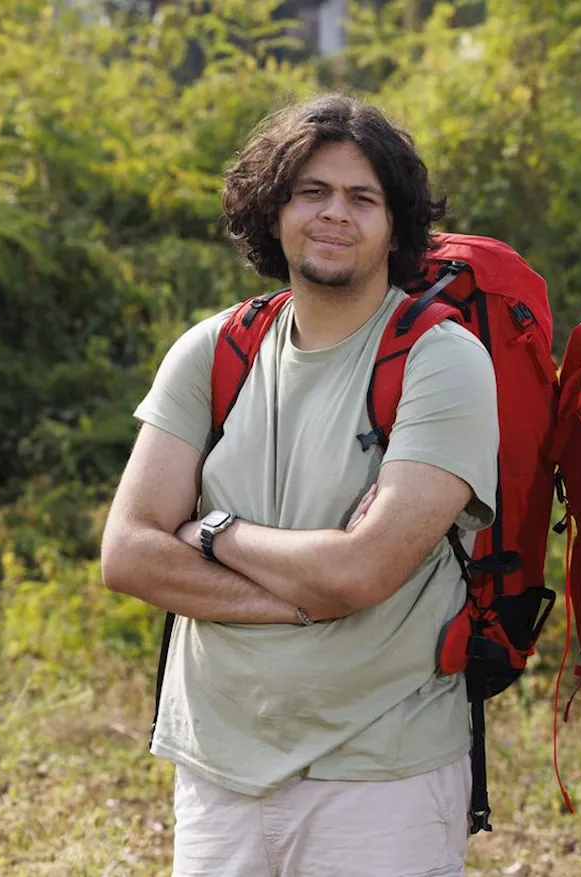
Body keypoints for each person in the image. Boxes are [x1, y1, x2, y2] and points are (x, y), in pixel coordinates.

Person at [100, 92, 498, 877]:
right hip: (217, 760)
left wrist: (215, 532)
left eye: (362, 197)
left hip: (384, 766)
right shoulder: (215, 350)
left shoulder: (441, 360)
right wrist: (309, 595)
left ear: (396, 224)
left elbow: (363, 570)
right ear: (272, 212)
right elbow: (128, 554)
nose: (334, 214)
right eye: (310, 192)